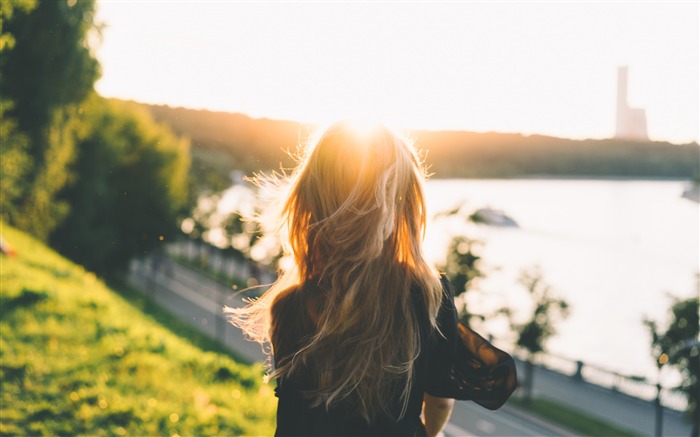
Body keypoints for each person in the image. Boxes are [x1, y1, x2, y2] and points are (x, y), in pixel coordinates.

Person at [226, 121, 516, 436]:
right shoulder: (426, 296)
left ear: (310, 200)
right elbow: (440, 400)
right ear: (400, 208)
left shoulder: (288, 306)